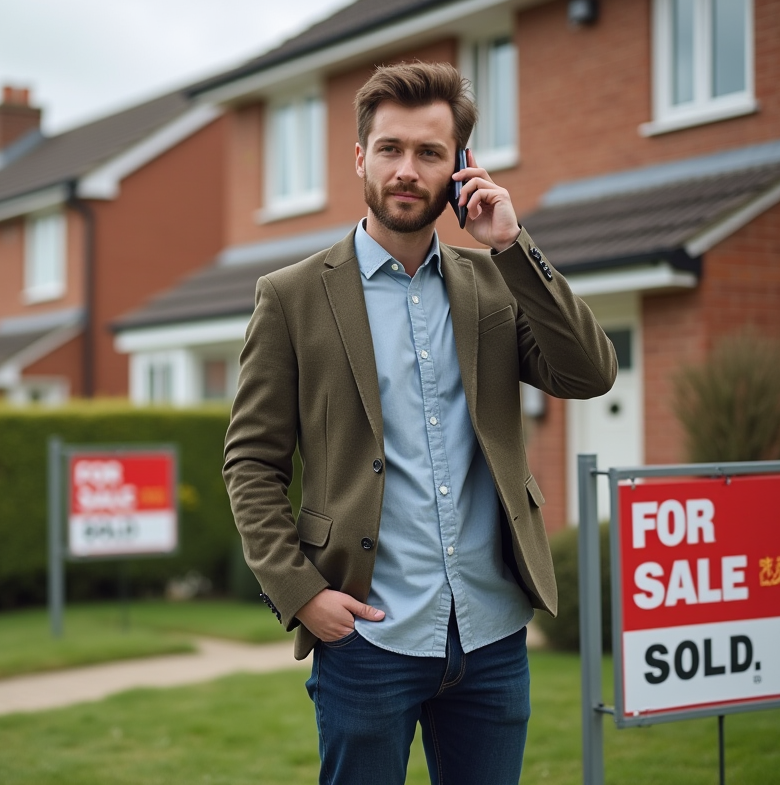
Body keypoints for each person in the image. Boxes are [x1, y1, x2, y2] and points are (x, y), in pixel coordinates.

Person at [223, 61, 616, 784]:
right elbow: (251, 464)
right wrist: (301, 591)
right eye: (391, 149)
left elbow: (589, 373)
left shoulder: (493, 285)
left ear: (459, 168)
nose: (407, 170)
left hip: (493, 635)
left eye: (430, 153)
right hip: (367, 640)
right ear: (360, 158)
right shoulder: (290, 298)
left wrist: (510, 243)